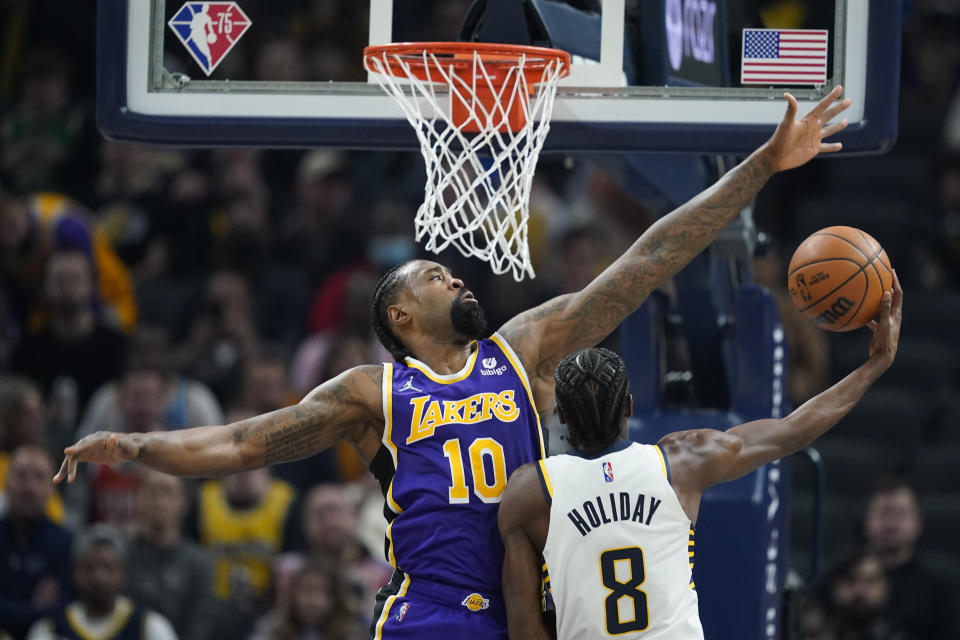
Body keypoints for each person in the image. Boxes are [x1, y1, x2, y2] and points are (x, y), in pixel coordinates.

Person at [55, 87, 853, 639]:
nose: (456, 275)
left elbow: (643, 264)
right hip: (429, 614)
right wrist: (134, 448)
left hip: (528, 611)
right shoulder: (374, 392)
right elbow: (239, 444)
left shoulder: (525, 348)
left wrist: (758, 169)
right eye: (435, 275)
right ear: (400, 316)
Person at [496, 271, 901, 640]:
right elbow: (792, 431)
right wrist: (875, 364)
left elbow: (524, 631)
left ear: (562, 414)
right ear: (630, 408)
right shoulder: (681, 462)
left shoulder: (529, 491)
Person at [25, 524, 177, 640]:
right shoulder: (49, 630)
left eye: (108, 567)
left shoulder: (149, 628)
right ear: (74, 572)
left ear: (124, 573)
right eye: (90, 567)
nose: (99, 577)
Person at [863, 478, 959, 639]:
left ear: (918, 522)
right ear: (866, 520)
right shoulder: (842, 578)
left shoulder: (942, 586)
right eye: (883, 513)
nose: (891, 524)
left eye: (900, 514)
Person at [126, 470, 215, 640]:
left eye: (167, 492)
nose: (158, 501)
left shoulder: (199, 564)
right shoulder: (121, 554)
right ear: (138, 497)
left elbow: (198, 627)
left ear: (183, 502)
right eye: (152, 492)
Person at [0, 447, 73, 640]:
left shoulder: (65, 543)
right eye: (21, 476)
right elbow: (44, 612)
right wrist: (34, 609)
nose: (29, 487)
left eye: (39, 477)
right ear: (5, 482)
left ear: (52, 488)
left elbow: (61, 615)